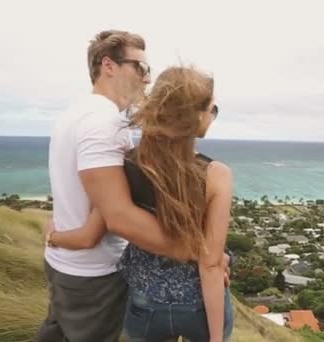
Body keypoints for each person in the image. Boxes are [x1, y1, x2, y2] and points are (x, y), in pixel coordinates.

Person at [39, 30, 230, 342]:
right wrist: (206, 252)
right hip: (93, 274)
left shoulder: (75, 115)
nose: (146, 79)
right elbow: (118, 217)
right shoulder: (105, 125)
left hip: (68, 266)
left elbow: (94, 202)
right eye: (140, 68)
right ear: (108, 66)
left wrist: (55, 237)